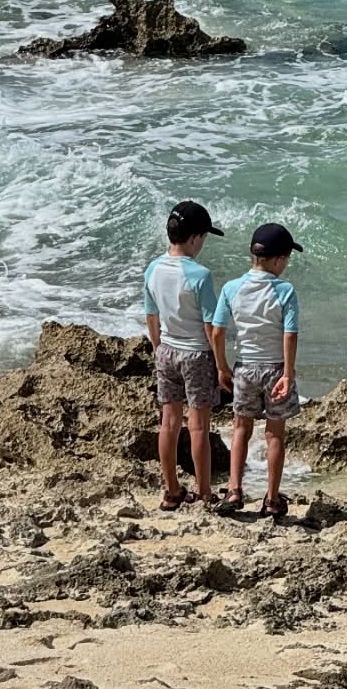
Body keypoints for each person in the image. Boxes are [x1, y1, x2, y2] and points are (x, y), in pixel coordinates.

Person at [210, 220, 302, 518]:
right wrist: (288, 373)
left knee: (241, 429)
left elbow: (217, 331)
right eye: (286, 258)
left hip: (245, 368)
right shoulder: (285, 291)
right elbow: (289, 334)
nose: (286, 265)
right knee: (274, 435)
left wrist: (222, 366)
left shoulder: (232, 288)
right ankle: (272, 499)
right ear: (277, 259)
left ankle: (234, 490)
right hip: (275, 368)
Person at [143, 199, 223, 510]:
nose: (203, 243)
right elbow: (210, 326)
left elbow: (152, 317)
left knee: (169, 423)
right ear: (194, 238)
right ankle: (203, 492)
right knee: (199, 426)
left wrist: (158, 348)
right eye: (203, 237)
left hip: (166, 350)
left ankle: (171, 490)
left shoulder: (153, 268)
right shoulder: (200, 275)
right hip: (196, 354)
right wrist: (220, 362)